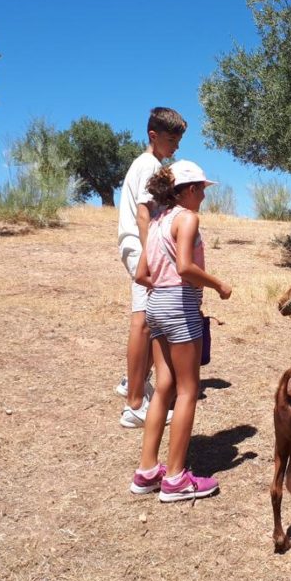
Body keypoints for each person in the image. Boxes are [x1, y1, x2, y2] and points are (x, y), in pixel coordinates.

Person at [129, 160, 232, 502]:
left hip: (156, 303)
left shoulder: (158, 221)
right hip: (180, 305)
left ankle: (147, 471)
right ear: (188, 190)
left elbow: (142, 274)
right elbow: (186, 267)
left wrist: (164, 283)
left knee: (163, 388)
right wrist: (218, 285)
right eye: (201, 189)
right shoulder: (187, 219)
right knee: (188, 390)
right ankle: (175, 478)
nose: (203, 195)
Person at [116, 107, 187, 428]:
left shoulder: (148, 164)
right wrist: (152, 255)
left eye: (178, 140)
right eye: (171, 139)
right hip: (142, 248)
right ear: (153, 136)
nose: (175, 147)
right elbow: (144, 215)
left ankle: (134, 384)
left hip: (141, 248)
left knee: (147, 320)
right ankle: (134, 404)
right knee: (142, 322)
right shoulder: (148, 166)